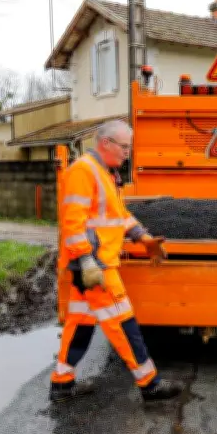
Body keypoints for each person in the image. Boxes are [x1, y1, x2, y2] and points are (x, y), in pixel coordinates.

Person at [51, 119, 184, 403]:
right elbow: (72, 223)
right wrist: (86, 261)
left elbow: (119, 215)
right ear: (105, 143)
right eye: (124, 146)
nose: (127, 152)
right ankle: (149, 384)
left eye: (128, 147)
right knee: (123, 323)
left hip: (93, 264)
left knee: (80, 322)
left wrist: (143, 238)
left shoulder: (106, 173)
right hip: (95, 266)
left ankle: (62, 384)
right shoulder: (84, 171)